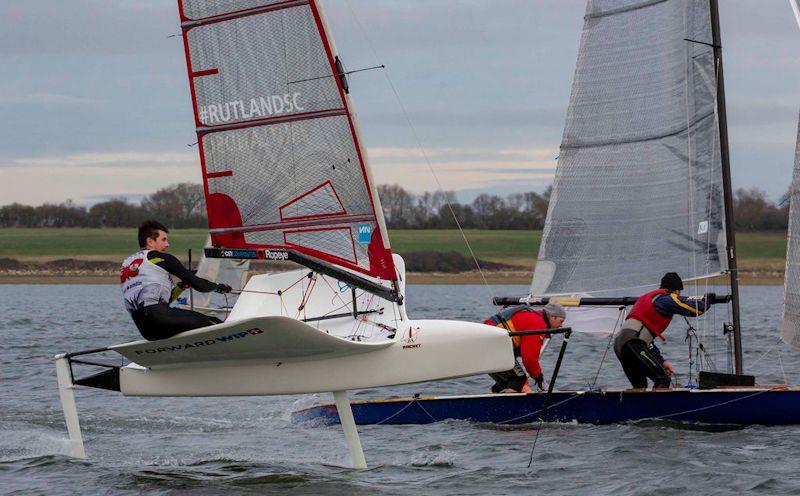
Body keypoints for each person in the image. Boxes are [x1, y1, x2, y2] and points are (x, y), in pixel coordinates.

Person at [121, 220, 233, 341]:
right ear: (150, 241)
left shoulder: (126, 264)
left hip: (146, 330)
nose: (167, 244)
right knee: (214, 322)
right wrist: (219, 287)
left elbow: (164, 300)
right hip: (161, 319)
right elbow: (199, 285)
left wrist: (181, 286)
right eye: (163, 240)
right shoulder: (160, 257)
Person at [613, 272, 717, 389]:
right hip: (633, 344)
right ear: (677, 290)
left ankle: (638, 407)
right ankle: (657, 407)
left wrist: (661, 362)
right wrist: (707, 300)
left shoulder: (649, 298)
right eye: (680, 292)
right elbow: (696, 309)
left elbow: (645, 341)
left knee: (640, 386)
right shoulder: (666, 299)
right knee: (663, 379)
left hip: (621, 345)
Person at [484, 301, 567, 393]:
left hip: (487, 346)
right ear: (552, 317)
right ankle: (508, 404)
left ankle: (495, 398)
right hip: (495, 347)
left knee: (507, 382)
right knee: (519, 380)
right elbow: (529, 358)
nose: (561, 325)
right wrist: (539, 378)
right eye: (561, 321)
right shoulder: (537, 324)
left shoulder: (532, 317)